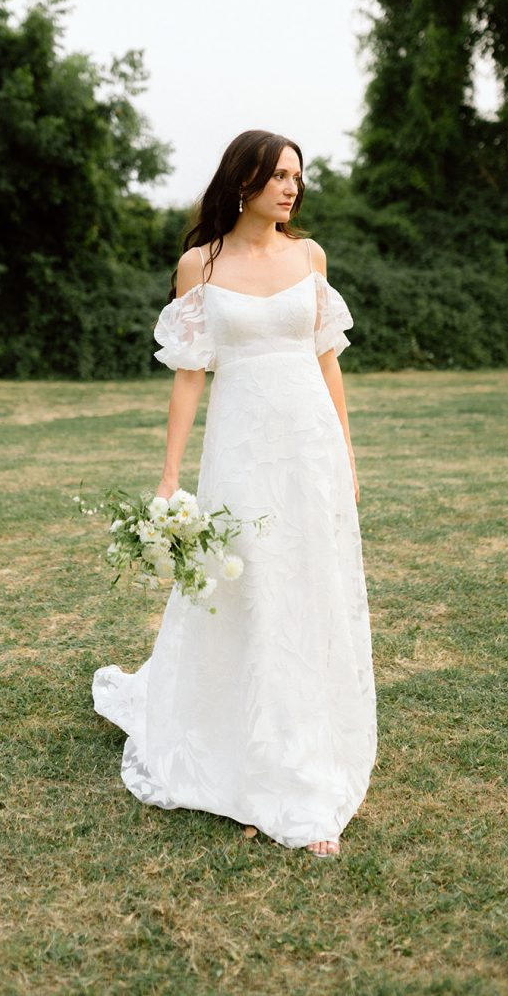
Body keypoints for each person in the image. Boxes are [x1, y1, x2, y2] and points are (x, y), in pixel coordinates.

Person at [92, 129, 377, 858]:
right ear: (243, 181)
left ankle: (302, 765)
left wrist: (346, 452)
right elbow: (190, 374)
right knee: (248, 586)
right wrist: (168, 474)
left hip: (308, 446)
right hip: (241, 449)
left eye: (297, 176)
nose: (292, 187)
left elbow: (327, 361)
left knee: (304, 589)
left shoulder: (309, 257)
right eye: (279, 175)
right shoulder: (200, 265)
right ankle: (243, 753)